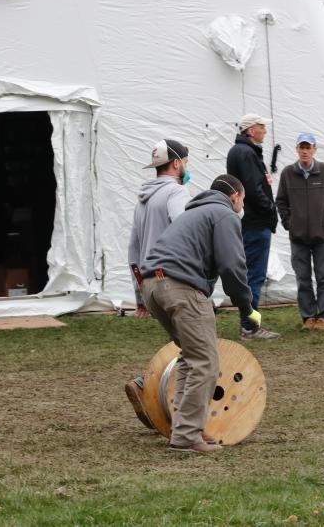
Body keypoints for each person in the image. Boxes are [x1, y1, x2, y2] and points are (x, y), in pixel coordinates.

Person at [139, 175, 261, 453]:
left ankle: (183, 427)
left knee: (191, 358)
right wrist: (247, 307)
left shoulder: (192, 212)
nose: (242, 206)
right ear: (235, 197)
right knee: (205, 361)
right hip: (181, 287)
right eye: (242, 200)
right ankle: (186, 436)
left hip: (152, 285)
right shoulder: (224, 214)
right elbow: (233, 265)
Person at [124, 139, 191, 432]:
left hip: (150, 284)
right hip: (173, 280)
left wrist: (139, 295)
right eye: (185, 162)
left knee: (186, 345)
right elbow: (186, 233)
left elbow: (133, 250)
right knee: (199, 349)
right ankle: (171, 407)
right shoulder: (177, 193)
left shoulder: (143, 199)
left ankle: (147, 387)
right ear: (176, 163)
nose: (186, 167)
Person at [226, 113, 280, 340]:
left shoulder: (240, 151)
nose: (265, 131)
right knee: (255, 275)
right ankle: (250, 326)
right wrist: (269, 207)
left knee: (249, 273)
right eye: (261, 127)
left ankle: (248, 323)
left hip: (249, 220)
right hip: (256, 222)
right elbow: (252, 186)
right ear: (250, 130)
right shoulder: (246, 153)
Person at [276, 133, 324, 330]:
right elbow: (281, 201)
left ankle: (323, 317)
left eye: (308, 147)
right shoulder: (287, 173)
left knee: (323, 278)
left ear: (314, 150)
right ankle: (308, 317)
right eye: (301, 147)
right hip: (298, 237)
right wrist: (289, 223)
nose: (304, 151)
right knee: (302, 279)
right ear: (296, 149)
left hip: (322, 237)